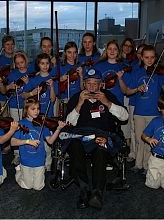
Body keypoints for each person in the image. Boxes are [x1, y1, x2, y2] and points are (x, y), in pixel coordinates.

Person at [65, 67, 128, 209]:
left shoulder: (108, 96)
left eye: (95, 83)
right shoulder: (77, 97)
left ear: (101, 85)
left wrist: (107, 103)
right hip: (81, 136)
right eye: (88, 83)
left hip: (103, 135)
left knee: (101, 149)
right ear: (84, 84)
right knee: (73, 145)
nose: (92, 86)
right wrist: (79, 104)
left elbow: (125, 116)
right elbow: (68, 124)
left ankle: (97, 193)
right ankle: (84, 190)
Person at [118, 45, 164, 175]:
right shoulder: (137, 72)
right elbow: (127, 91)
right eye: (146, 58)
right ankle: (138, 164)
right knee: (139, 139)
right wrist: (137, 89)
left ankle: (146, 165)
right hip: (139, 112)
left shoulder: (158, 73)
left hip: (154, 112)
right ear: (142, 58)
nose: (149, 60)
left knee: (150, 141)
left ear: (155, 58)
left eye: (152, 58)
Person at [11, 98, 66, 190]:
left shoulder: (42, 123)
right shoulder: (21, 124)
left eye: (38, 108)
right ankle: (19, 171)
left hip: (39, 160)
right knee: (27, 186)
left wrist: (58, 129)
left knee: (38, 187)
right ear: (26, 110)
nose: (36, 111)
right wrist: (28, 141)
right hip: (26, 160)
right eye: (33, 109)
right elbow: (12, 142)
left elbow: (50, 141)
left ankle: (28, 175)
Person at [141, 91, 164, 189]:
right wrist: (148, 139)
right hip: (156, 159)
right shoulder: (156, 121)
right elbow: (143, 135)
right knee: (152, 185)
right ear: (159, 109)